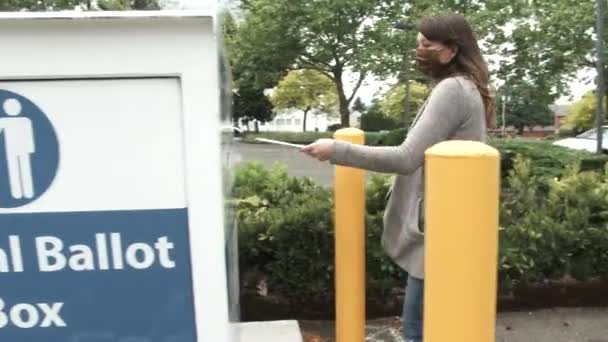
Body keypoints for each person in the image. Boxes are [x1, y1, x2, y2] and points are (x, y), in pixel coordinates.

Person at [301, 13, 496, 342]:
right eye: (417, 43)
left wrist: (337, 151)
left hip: (438, 232)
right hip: (448, 228)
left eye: (426, 44)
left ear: (451, 49)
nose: (418, 50)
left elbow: (406, 158)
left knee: (417, 331)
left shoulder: (453, 90)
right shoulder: (465, 87)